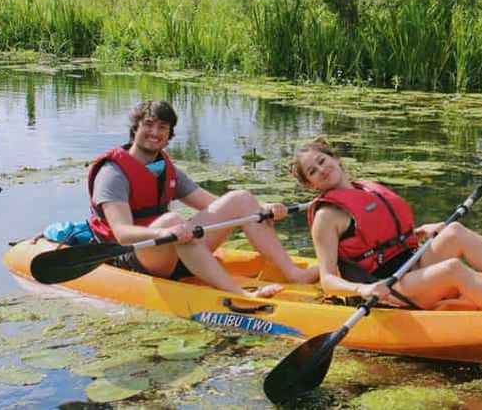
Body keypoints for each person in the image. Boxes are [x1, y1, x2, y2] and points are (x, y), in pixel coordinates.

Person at [290, 137, 482, 310]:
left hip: (410, 264)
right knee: (453, 269)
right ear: (310, 185)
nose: (321, 169)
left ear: (335, 158)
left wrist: (419, 233)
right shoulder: (326, 216)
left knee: (454, 232)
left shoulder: (365, 189)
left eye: (322, 161)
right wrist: (364, 291)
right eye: (313, 171)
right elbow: (328, 279)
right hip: (387, 288)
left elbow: (385, 239)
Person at [88, 100, 318, 298]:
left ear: (169, 135)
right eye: (148, 125)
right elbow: (123, 233)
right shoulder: (113, 173)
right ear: (135, 128)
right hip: (136, 255)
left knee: (240, 198)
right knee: (172, 221)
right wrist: (164, 233)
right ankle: (241, 294)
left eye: (162, 127)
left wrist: (263, 208)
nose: (155, 132)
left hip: (174, 247)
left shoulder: (165, 169)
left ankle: (294, 274)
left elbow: (212, 203)